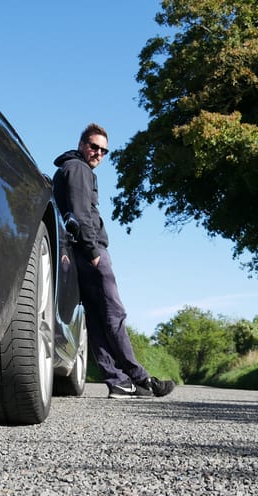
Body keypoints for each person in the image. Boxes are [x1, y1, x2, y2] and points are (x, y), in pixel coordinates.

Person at [52, 123, 175, 399]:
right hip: (89, 253)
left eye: (104, 151)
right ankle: (142, 379)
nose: (98, 154)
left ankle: (118, 381)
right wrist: (94, 252)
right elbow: (82, 215)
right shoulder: (79, 169)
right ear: (82, 144)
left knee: (96, 320)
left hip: (77, 254)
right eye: (94, 147)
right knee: (114, 316)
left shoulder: (71, 169)